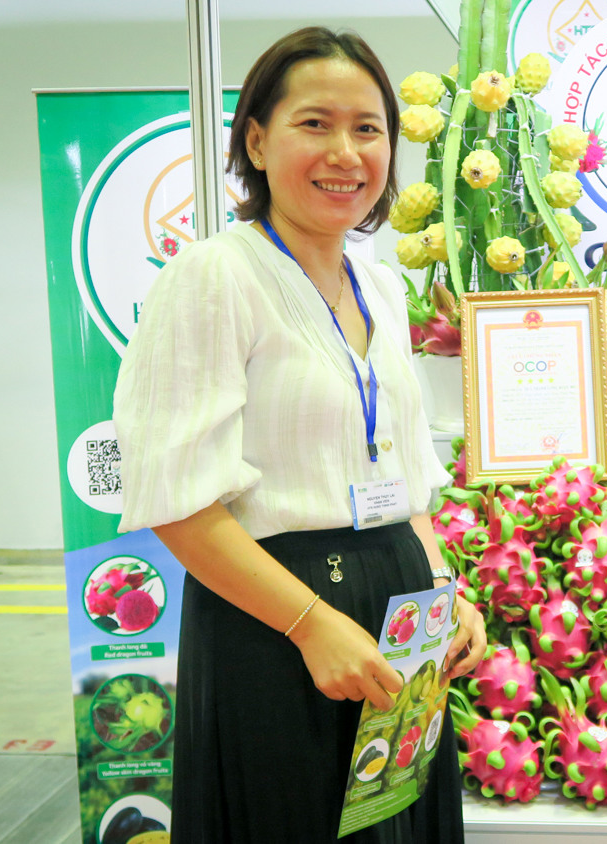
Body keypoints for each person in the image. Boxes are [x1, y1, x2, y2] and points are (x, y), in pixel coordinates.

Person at [112, 27, 486, 843]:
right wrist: (311, 624)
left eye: (368, 128)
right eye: (314, 123)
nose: (345, 153)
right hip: (276, 615)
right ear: (256, 140)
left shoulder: (380, 287)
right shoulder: (214, 275)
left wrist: (443, 588)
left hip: (398, 606)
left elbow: (403, 478)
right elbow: (177, 502)